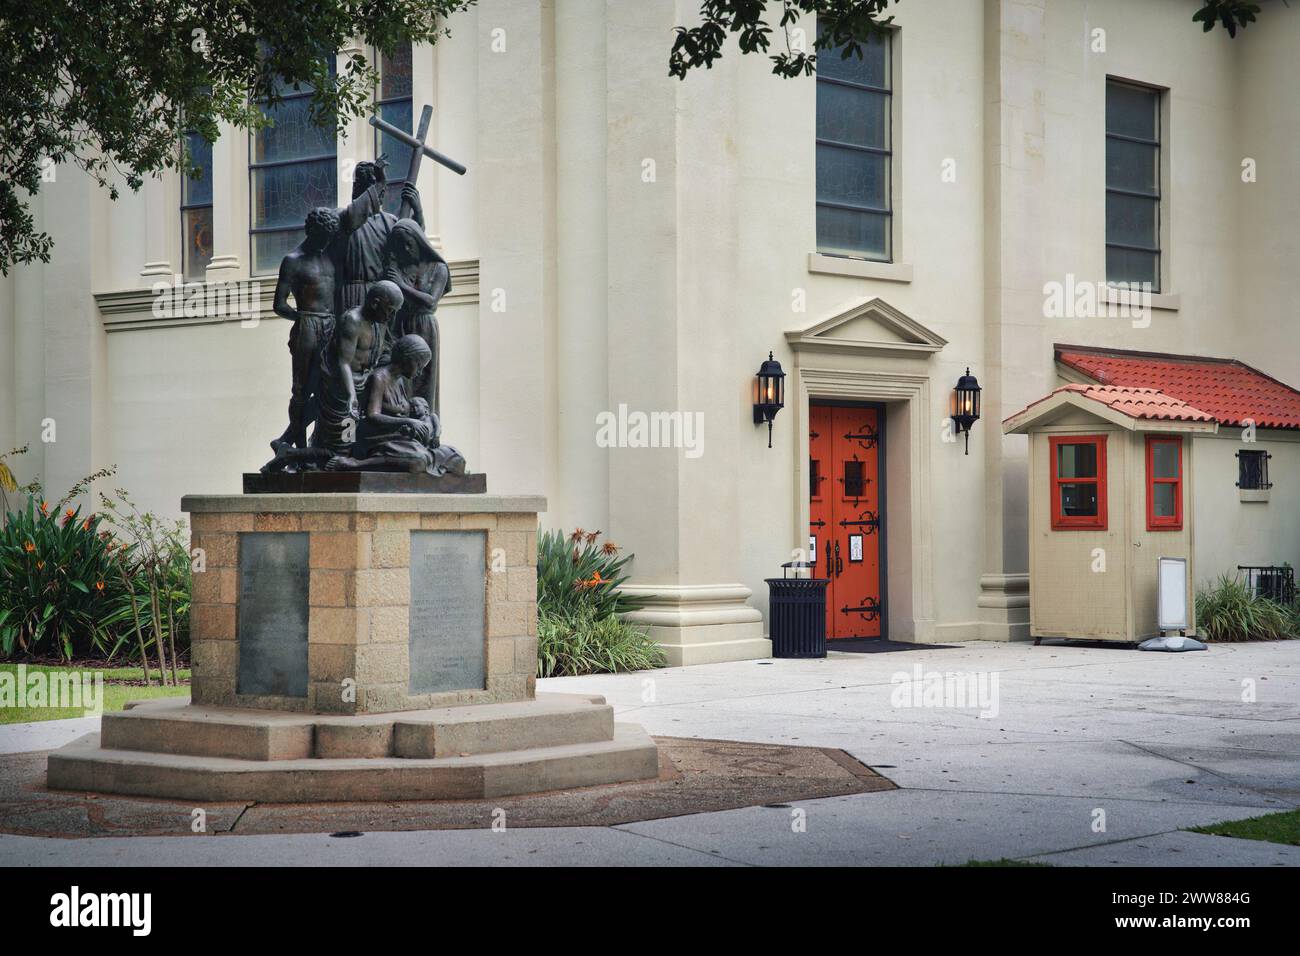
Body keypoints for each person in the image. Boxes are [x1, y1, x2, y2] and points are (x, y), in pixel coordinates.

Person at [325, 334, 466, 475]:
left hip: (403, 439)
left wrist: (426, 427)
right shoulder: (379, 378)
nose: (419, 372)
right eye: (419, 365)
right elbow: (372, 415)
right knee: (418, 461)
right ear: (407, 358)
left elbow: (408, 413)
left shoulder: (400, 381)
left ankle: (427, 458)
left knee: (456, 459)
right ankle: (355, 464)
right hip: (379, 439)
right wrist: (408, 421)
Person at [270, 207, 340, 451]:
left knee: (327, 387)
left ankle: (291, 441)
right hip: (307, 327)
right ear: (311, 231)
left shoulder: (330, 256)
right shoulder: (293, 261)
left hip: (331, 325)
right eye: (322, 235)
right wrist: (302, 319)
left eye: (329, 236)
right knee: (301, 390)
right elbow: (279, 304)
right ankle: (297, 448)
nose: (326, 241)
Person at [311, 280, 403, 456]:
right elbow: (343, 362)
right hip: (343, 386)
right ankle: (335, 459)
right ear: (375, 303)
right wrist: (351, 394)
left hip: (363, 381)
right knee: (343, 440)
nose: (391, 316)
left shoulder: (379, 322)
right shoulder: (352, 320)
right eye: (390, 310)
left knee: (358, 433)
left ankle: (351, 455)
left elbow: (381, 353)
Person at [331, 160, 425, 318]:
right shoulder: (342, 217)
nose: (382, 191)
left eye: (383, 188)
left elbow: (411, 244)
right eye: (375, 187)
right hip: (353, 294)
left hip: (383, 297)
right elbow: (354, 217)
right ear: (357, 189)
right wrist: (379, 183)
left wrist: (418, 210)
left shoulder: (389, 221)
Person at [384, 218, 450, 415]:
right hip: (401, 325)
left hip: (424, 326)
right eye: (401, 245)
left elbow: (430, 302)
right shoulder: (402, 266)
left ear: (418, 241)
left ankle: (427, 423)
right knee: (402, 378)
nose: (405, 248)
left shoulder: (438, 268)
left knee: (424, 378)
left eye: (409, 243)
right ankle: (404, 421)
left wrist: (401, 286)